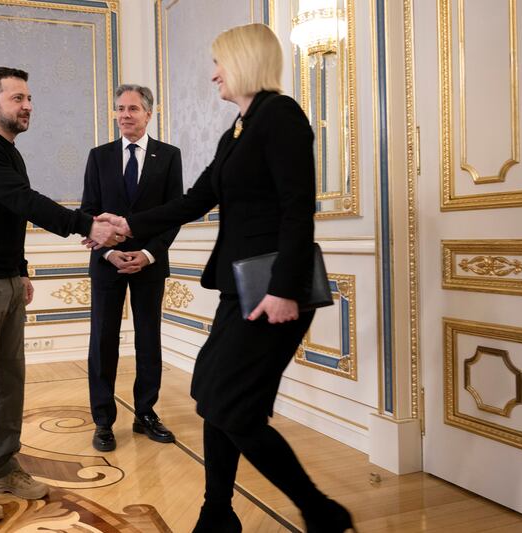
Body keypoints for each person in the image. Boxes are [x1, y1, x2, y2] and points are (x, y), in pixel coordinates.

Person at [89, 24, 354, 533]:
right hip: (240, 287)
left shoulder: (282, 118)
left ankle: (321, 511)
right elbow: (195, 199)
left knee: (235, 409)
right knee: (212, 397)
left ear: (244, 62)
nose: (213, 74)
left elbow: (298, 211)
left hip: (272, 289)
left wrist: (283, 289)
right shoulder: (239, 128)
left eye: (219, 64)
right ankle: (217, 514)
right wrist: (128, 224)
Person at [0, 66, 121, 526]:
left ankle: (1, 468)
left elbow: (8, 216)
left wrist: (19, 271)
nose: (27, 106)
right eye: (18, 98)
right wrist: (87, 223)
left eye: (29, 98)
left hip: (3, 281)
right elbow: (25, 201)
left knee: (9, 381)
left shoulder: (8, 152)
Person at [80, 84, 183, 452]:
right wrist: (108, 252)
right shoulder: (99, 156)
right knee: (103, 342)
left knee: (148, 340)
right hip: (106, 263)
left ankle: (146, 414)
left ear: (149, 114)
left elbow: (174, 215)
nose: (125, 115)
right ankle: (103, 421)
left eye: (133, 109)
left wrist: (148, 254)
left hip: (149, 264)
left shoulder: (169, 156)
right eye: (120, 108)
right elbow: (88, 211)